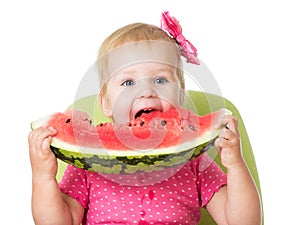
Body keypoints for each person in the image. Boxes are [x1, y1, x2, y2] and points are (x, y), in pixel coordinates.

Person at [28, 12, 261, 225]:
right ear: (106, 103)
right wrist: (43, 177)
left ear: (180, 96)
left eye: (160, 80)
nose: (146, 91)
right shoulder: (90, 161)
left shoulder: (194, 161)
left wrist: (235, 165)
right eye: (128, 82)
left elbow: (241, 222)